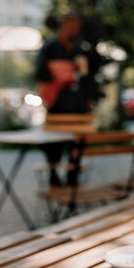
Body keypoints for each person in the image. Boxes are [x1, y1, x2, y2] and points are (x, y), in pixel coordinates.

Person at [35, 14, 95, 186]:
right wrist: (64, 70)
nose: (76, 29)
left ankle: (72, 177)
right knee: (54, 142)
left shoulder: (78, 48)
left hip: (77, 104)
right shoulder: (50, 46)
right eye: (73, 25)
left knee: (77, 142)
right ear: (65, 25)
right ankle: (54, 175)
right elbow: (40, 72)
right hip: (57, 103)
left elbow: (85, 77)